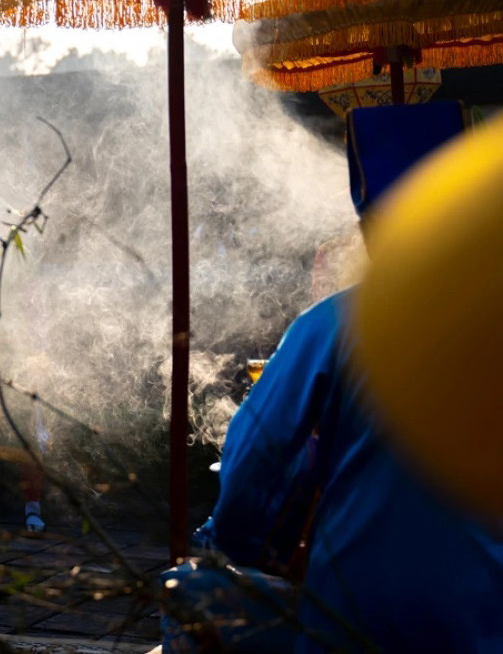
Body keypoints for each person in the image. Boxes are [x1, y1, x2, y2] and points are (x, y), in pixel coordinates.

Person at [161, 102, 503, 652]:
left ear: (369, 222)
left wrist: (241, 543)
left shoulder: (334, 324)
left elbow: (255, 467)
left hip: (357, 613)